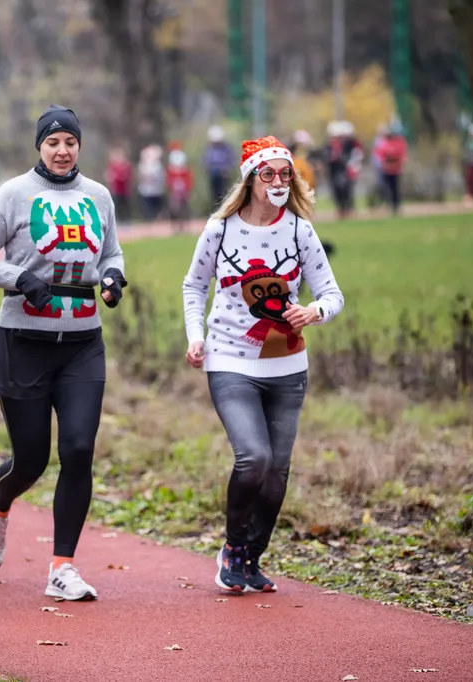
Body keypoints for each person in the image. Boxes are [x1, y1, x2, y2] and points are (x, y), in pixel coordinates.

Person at [0, 104, 126, 602]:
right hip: (24, 343)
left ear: (79, 146)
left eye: (70, 142)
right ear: (40, 147)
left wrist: (115, 277)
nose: (62, 150)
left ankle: (62, 567)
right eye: (53, 142)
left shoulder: (98, 196)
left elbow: (111, 253)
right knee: (30, 461)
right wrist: (20, 279)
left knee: (78, 451)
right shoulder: (13, 194)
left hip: (82, 345)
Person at [180, 136, 344, 594]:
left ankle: (252, 557)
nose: (276, 181)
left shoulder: (299, 230)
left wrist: (314, 311)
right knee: (254, 458)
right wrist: (196, 337)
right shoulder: (220, 229)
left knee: (277, 475)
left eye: (284, 173)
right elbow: (194, 287)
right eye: (267, 173)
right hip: (230, 358)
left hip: (287, 365)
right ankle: (232, 548)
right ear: (250, 178)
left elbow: (332, 294)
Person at [375, 122, 408, 215]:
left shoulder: (399, 142)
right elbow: (380, 154)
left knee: (395, 188)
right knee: (386, 187)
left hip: (395, 170)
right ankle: (389, 204)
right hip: (386, 169)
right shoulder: (385, 143)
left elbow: (399, 155)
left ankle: (396, 205)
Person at [203, 125, 237, 208]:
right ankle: (215, 210)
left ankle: (225, 209)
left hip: (223, 175)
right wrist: (208, 170)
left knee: (224, 193)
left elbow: (231, 160)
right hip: (213, 174)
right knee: (214, 194)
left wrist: (227, 170)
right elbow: (206, 162)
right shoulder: (209, 149)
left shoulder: (227, 148)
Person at [165, 142, 194, 232]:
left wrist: (188, 190)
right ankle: (174, 225)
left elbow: (189, 181)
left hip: (183, 192)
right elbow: (168, 181)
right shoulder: (170, 171)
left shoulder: (185, 171)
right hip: (174, 193)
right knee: (174, 209)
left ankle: (184, 225)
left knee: (184, 208)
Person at [137, 144, 165, 221]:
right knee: (147, 207)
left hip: (156, 190)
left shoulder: (158, 166)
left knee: (157, 206)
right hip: (145, 190)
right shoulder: (142, 165)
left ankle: (158, 218)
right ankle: (148, 219)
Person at [104, 146, 132, 223]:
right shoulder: (112, 165)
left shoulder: (126, 165)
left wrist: (117, 176)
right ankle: (117, 220)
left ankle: (126, 220)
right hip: (115, 190)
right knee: (116, 206)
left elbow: (125, 177)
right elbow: (109, 176)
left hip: (124, 190)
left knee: (125, 206)